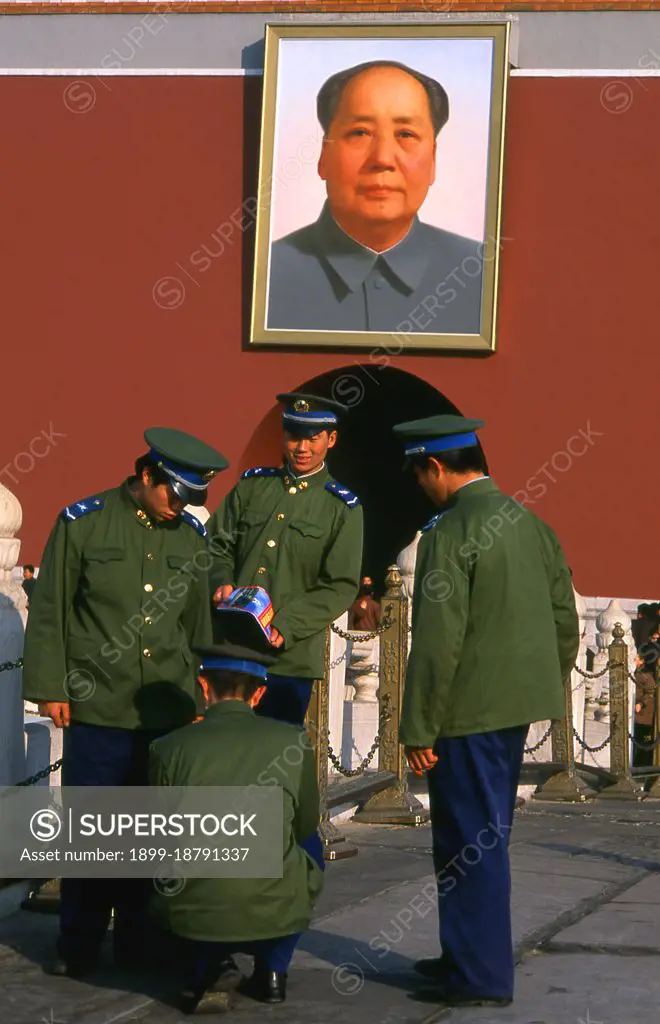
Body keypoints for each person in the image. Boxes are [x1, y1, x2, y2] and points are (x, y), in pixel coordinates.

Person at [22, 427, 229, 978]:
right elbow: (50, 610)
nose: (181, 506)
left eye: (192, 498)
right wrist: (49, 687)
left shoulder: (189, 538)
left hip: (165, 708)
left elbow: (197, 625)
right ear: (146, 477)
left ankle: (139, 944)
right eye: (175, 493)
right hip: (98, 704)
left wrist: (204, 694)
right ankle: (79, 945)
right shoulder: (83, 522)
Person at [392, 414, 579, 1009]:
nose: (422, 486)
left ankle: (480, 977)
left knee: (468, 841)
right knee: (484, 836)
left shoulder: (449, 533)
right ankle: (465, 954)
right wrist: (537, 681)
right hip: (514, 707)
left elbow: (438, 638)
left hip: (465, 713)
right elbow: (564, 621)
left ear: (437, 467)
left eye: (421, 474)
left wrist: (419, 725)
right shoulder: (532, 523)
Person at [148, 640, 324, 1015]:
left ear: (203, 686)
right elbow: (306, 821)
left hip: (192, 901)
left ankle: (206, 965)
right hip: (272, 899)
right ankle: (274, 971)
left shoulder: (167, 747)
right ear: (260, 693)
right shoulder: (292, 742)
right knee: (308, 843)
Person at [268, 60, 482, 335]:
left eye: (406, 134)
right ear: (323, 156)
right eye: (360, 133)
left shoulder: (481, 274)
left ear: (433, 159)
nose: (382, 159)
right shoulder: (266, 275)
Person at [207, 392, 363, 728]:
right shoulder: (252, 487)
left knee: (272, 758)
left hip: (288, 659)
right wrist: (220, 580)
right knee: (225, 750)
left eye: (313, 438)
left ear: (331, 439)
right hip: (231, 647)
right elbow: (216, 543)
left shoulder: (342, 508)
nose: (302, 448)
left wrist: (286, 625)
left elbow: (339, 585)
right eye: (294, 436)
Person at [633, 652, 657, 769]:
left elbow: (650, 692)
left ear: (641, 661)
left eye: (635, 659)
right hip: (636, 714)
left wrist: (641, 703)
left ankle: (643, 764)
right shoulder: (635, 673)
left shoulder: (646, 675)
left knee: (643, 739)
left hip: (644, 715)